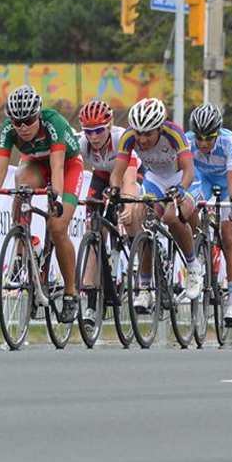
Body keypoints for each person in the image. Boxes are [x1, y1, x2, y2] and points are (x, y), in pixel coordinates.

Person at [0, 85, 83, 323]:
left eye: (28, 120)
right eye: (17, 122)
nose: (23, 127)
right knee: (21, 186)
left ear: (38, 114)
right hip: (36, 162)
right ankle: (27, 246)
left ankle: (71, 292)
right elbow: (0, 166)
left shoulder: (53, 122)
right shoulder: (10, 128)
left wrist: (56, 198)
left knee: (57, 227)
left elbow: (58, 166)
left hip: (66, 165)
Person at [110, 97, 202, 310]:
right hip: (156, 180)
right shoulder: (128, 138)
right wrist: (114, 188)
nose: (142, 139)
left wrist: (180, 189)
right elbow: (118, 172)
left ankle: (193, 266)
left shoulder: (174, 133)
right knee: (143, 219)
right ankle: (144, 289)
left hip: (183, 179)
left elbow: (189, 170)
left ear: (159, 128)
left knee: (172, 217)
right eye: (138, 133)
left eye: (148, 133)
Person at [77, 99, 141, 329]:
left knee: (129, 213)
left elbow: (130, 182)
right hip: (102, 176)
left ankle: (137, 255)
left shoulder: (121, 139)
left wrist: (128, 205)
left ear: (109, 125)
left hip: (127, 173)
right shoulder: (83, 143)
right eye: (89, 132)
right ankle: (92, 303)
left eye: (98, 131)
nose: (93, 137)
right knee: (93, 233)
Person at [186, 103, 232, 326]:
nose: (203, 144)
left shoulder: (229, 143)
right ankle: (199, 251)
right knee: (189, 206)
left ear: (217, 133)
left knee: (230, 238)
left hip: (226, 180)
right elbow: (185, 176)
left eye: (209, 138)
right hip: (203, 178)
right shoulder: (187, 141)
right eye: (199, 138)